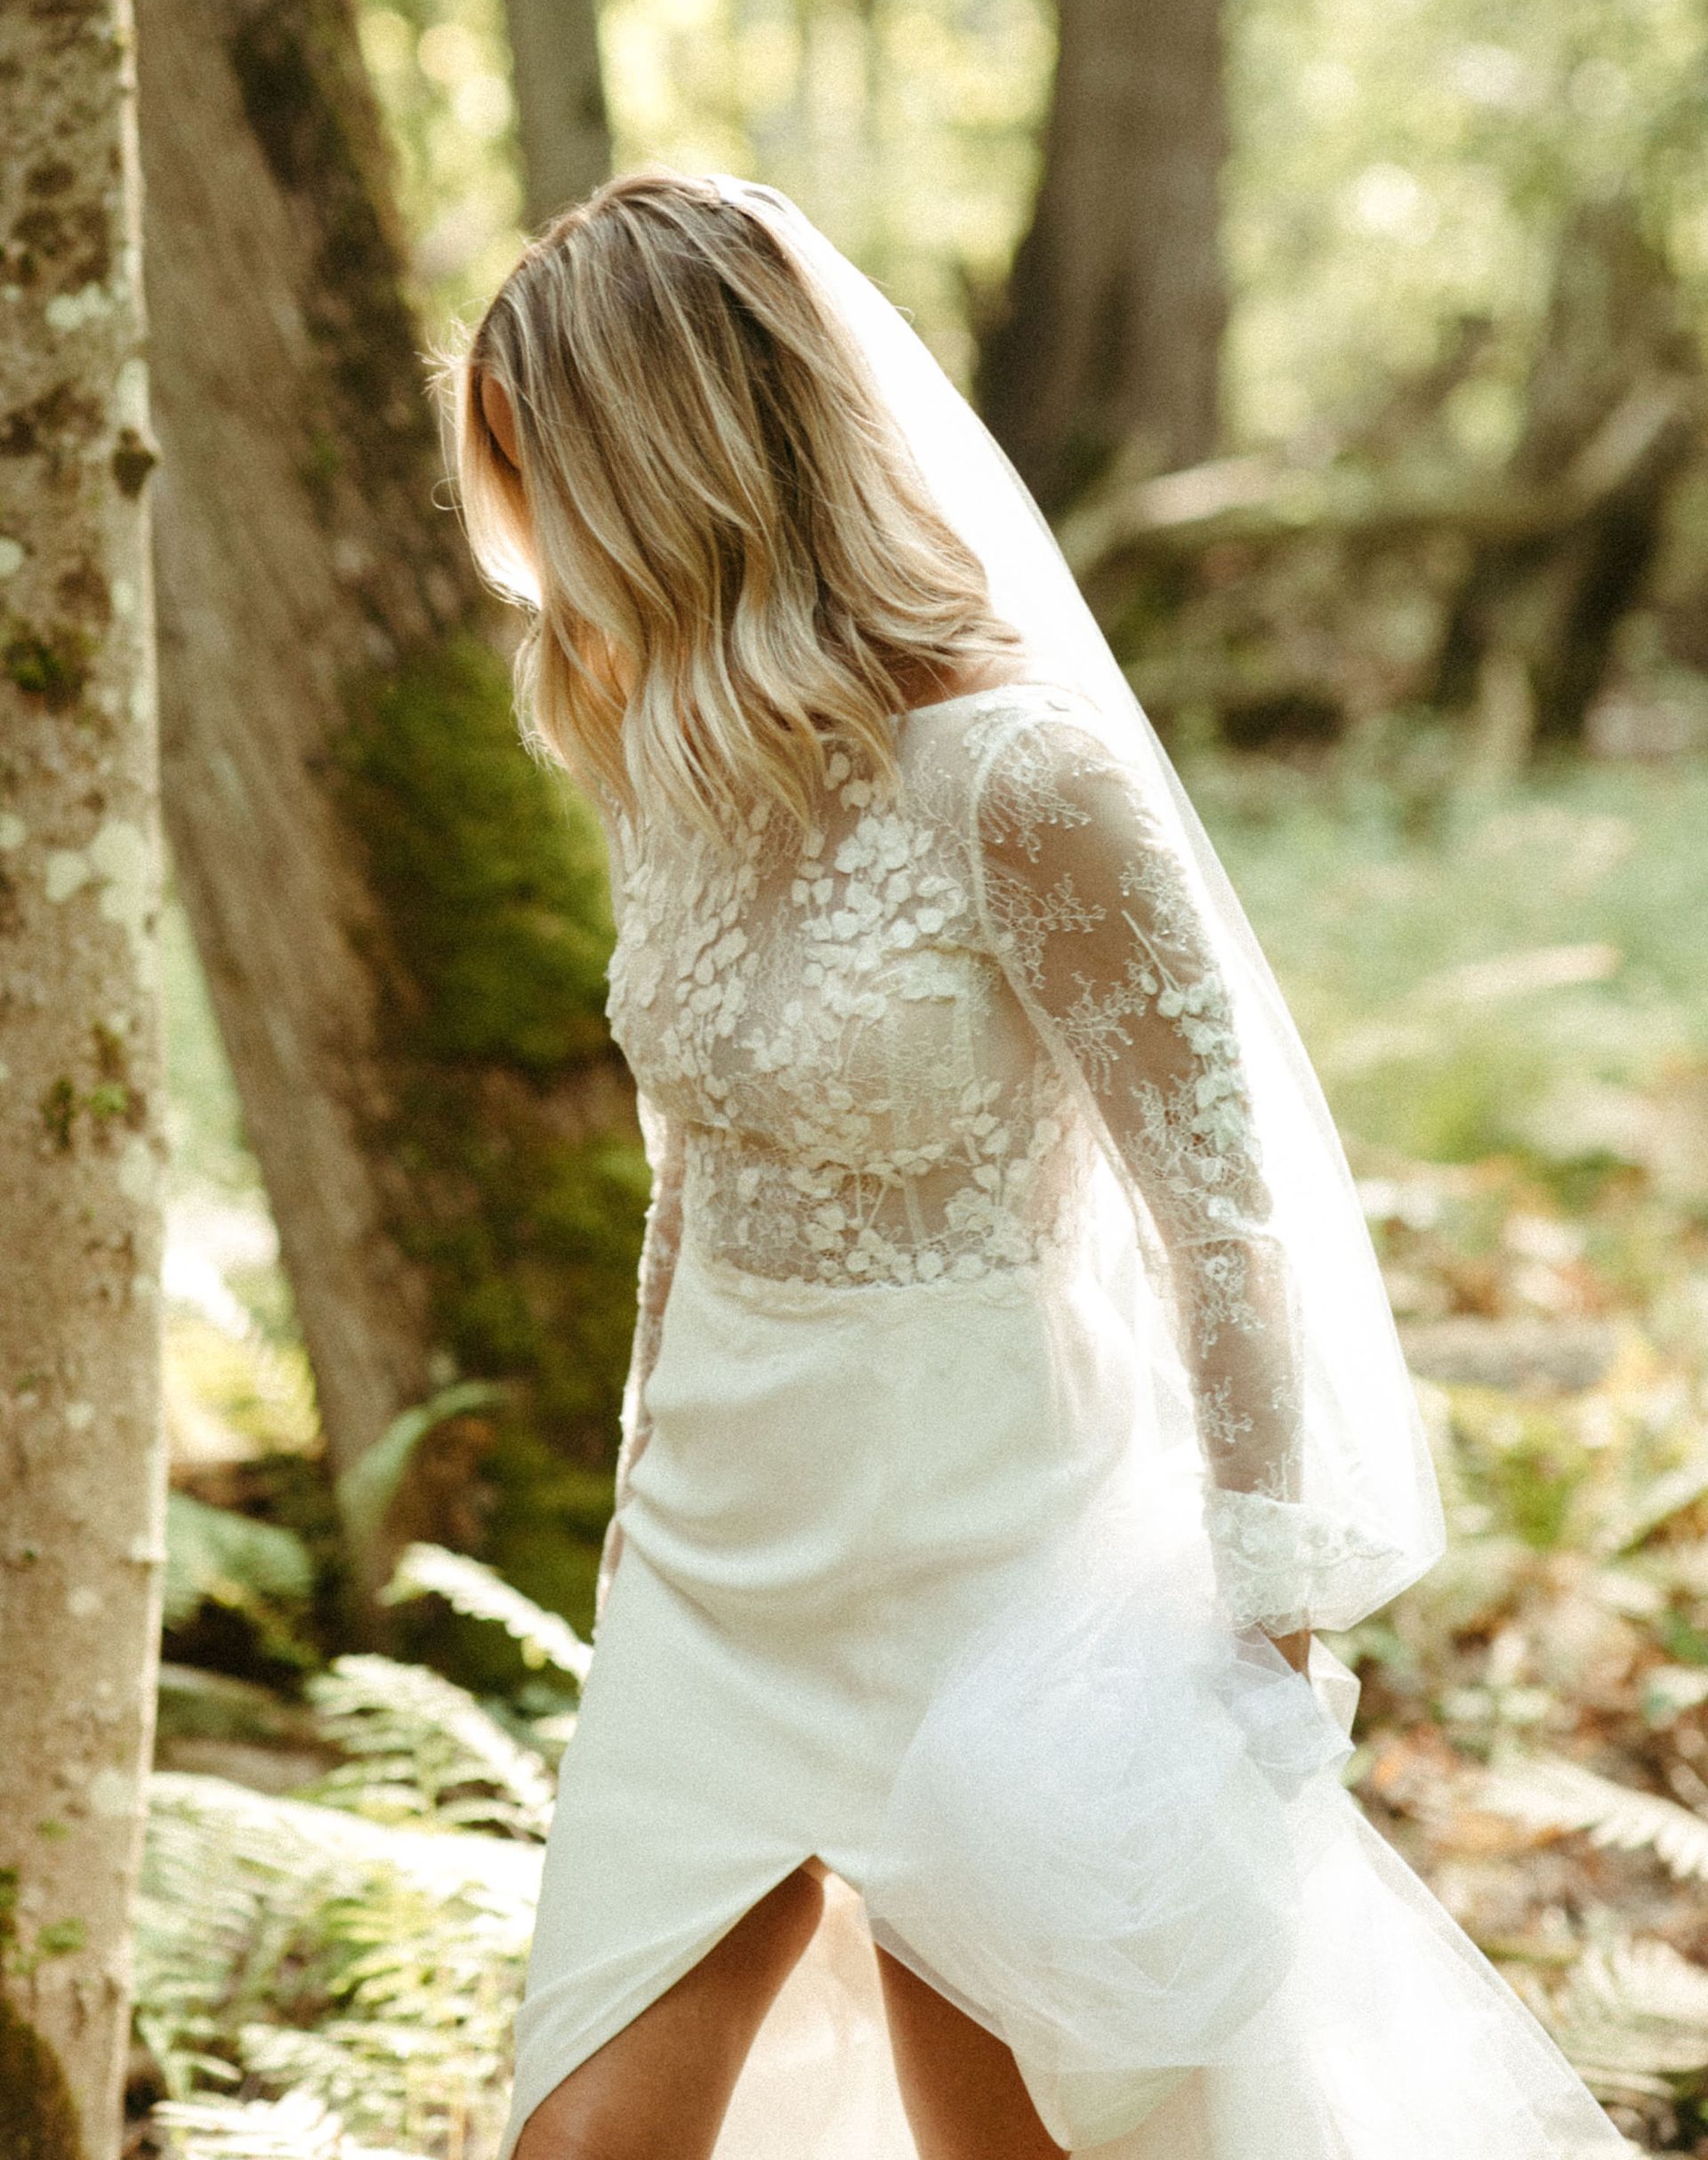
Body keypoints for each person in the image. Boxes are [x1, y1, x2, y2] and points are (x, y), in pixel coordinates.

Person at [448, 168, 1626, 2160]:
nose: (536, 550)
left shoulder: (1023, 778)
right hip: (718, 1577)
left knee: (992, 2145)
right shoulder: (662, 759)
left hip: (1000, 1578)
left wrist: (1260, 1636)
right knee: (578, 2141)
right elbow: (692, 1160)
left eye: (548, 479)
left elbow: (1225, 1218)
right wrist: (642, 1483)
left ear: (679, 464)